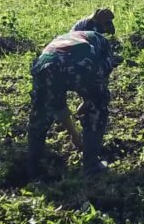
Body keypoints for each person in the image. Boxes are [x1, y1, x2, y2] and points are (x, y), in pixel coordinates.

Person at [27, 30, 121, 177]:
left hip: (46, 63)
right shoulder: (103, 43)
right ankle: (91, 166)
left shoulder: (65, 38)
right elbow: (101, 80)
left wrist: (74, 136)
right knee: (97, 108)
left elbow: (58, 105)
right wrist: (90, 101)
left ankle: (33, 168)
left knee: (40, 114)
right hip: (81, 63)